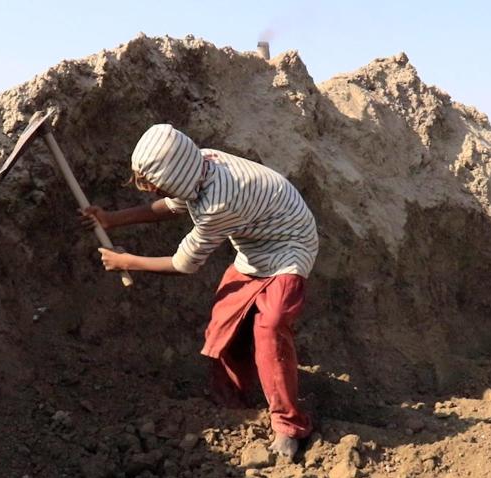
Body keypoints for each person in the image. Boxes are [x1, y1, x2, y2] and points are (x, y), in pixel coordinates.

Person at [82, 124, 319, 457]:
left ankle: (289, 425)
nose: (151, 191)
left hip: (290, 246)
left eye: (155, 183)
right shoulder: (200, 163)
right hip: (254, 249)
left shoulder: (218, 203)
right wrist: (111, 220)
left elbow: (185, 263)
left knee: (270, 327)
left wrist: (127, 262)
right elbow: (172, 205)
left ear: (177, 174)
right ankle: (229, 404)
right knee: (225, 326)